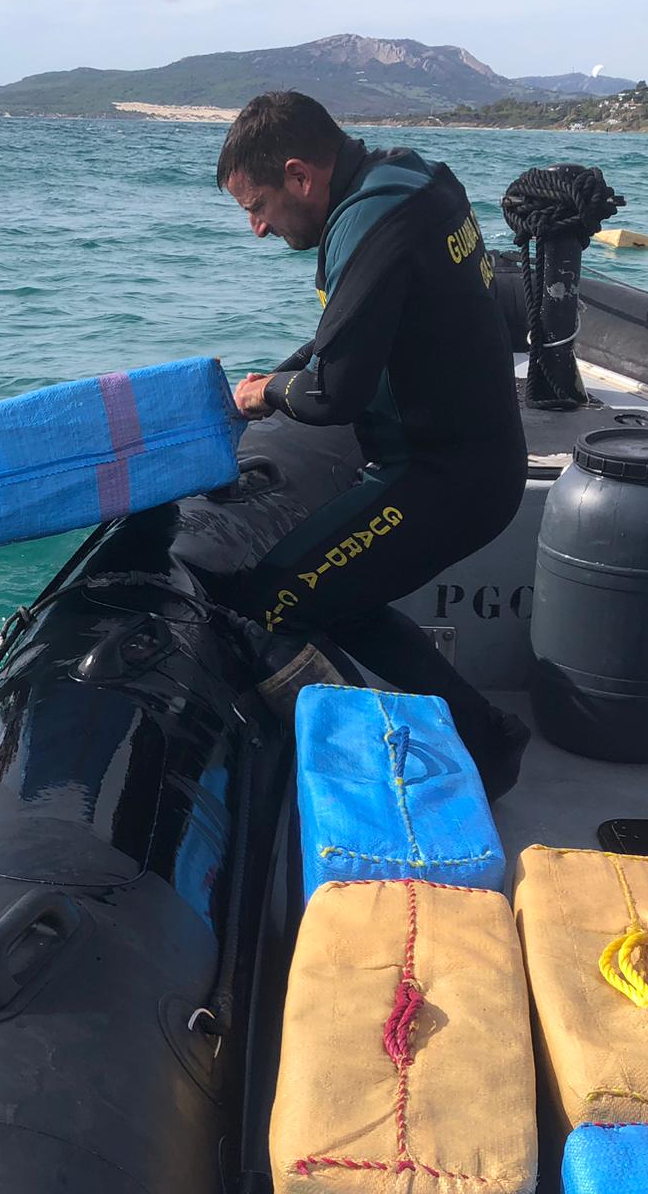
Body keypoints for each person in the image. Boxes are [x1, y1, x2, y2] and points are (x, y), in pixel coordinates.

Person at [216, 90, 530, 797]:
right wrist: (287, 372)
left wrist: (262, 392)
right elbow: (351, 336)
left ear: (300, 175)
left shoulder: (372, 224)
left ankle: (367, 775)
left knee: (273, 603)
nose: (258, 229)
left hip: (440, 478)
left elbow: (336, 394)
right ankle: (486, 739)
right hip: (472, 461)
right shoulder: (411, 178)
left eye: (256, 205)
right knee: (342, 598)